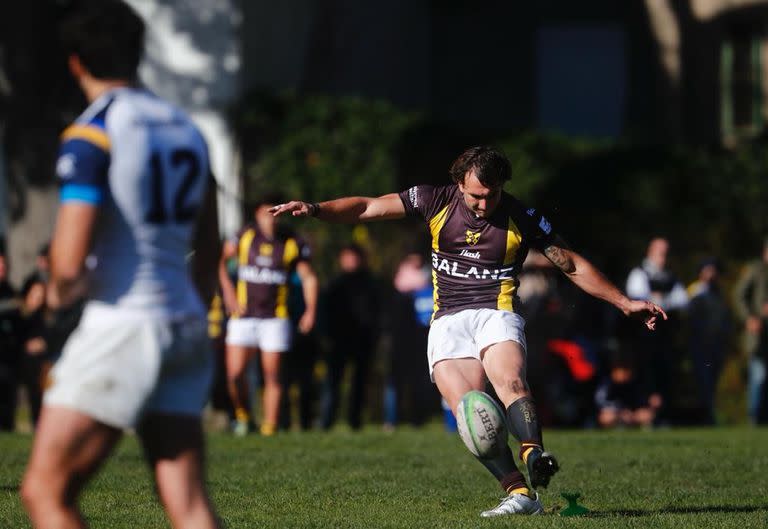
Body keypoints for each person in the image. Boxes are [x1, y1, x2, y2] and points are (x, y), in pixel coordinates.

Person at [271, 145, 666, 517]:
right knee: (470, 412)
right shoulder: (433, 200)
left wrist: (624, 302)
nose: (482, 204)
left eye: (491, 196)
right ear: (459, 183)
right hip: (448, 321)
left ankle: (534, 455)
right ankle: (519, 493)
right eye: (476, 195)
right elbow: (370, 207)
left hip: (496, 311)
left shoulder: (519, 216)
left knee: (509, 378)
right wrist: (316, 208)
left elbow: (572, 265)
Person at [20, 2, 222, 528]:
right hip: (184, 321)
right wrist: (192, 316)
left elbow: (66, 264)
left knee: (46, 492)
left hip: (124, 322)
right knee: (188, 500)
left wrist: (59, 314)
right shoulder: (187, 131)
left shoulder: (91, 135)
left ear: (75, 63)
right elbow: (211, 245)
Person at [219, 194, 318, 436]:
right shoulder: (244, 236)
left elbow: (309, 277)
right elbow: (220, 262)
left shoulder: (291, 241)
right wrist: (229, 295)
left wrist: (310, 310)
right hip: (244, 316)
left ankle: (269, 427)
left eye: (275, 213)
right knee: (234, 374)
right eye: (266, 213)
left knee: (272, 375)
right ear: (256, 214)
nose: (271, 219)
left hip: (275, 317)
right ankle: (243, 416)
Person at [625, 237, 688, 423]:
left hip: (665, 339)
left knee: (665, 376)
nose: (664, 257)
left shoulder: (670, 276)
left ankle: (662, 417)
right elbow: (637, 298)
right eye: (661, 253)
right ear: (650, 253)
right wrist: (662, 301)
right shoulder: (639, 273)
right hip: (644, 338)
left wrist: (658, 300)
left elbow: (683, 301)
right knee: (646, 376)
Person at [321, 243, 382, 430]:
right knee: (332, 383)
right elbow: (324, 313)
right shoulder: (334, 285)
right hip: (338, 341)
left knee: (360, 384)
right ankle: (326, 421)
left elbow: (378, 313)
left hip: (363, 341)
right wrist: (325, 336)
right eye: (347, 257)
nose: (351, 261)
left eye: (354, 257)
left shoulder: (371, 284)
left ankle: (355, 421)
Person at [686, 257, 730, 425]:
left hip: (716, 344)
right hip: (700, 344)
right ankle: (704, 417)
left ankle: (709, 415)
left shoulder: (719, 292)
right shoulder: (694, 291)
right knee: (702, 382)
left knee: (712, 382)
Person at [732, 239, 768, 424]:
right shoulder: (755, 270)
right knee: (759, 376)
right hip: (759, 335)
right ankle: (754, 419)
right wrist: (749, 318)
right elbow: (738, 296)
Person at [0, 243, 23, 431]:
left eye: (3, 266)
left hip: (8, 353)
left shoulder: (11, 289)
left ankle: (7, 426)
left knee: (8, 394)